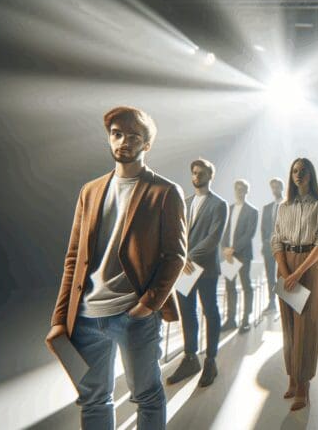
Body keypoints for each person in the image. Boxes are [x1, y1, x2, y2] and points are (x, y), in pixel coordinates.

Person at [45, 106, 185, 429]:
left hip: (133, 315)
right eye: (116, 134)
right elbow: (73, 259)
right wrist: (59, 318)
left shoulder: (165, 192)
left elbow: (175, 257)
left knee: (147, 395)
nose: (122, 142)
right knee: (93, 400)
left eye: (132, 136)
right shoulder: (90, 191)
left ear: (146, 144)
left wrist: (147, 306)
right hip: (85, 317)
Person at [271, 158, 318, 411]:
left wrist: (299, 272)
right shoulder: (284, 206)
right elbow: (276, 239)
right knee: (288, 325)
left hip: (310, 265)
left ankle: (304, 387)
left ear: (311, 175)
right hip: (285, 263)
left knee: (306, 327)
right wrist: (286, 273)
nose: (298, 175)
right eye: (294, 171)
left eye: (303, 171)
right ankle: (293, 378)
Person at [167, 158, 228, 388]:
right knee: (187, 311)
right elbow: (178, 235)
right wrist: (180, 258)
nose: (196, 176)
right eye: (193, 172)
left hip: (205, 268)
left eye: (201, 173)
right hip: (186, 269)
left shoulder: (219, 204)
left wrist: (187, 257)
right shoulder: (185, 202)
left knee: (210, 312)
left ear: (210, 176)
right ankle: (190, 357)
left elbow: (213, 238)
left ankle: (210, 361)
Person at [221, 179, 259, 333]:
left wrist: (233, 248)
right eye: (237, 189)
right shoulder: (228, 209)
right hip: (228, 254)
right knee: (229, 287)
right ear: (234, 190)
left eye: (242, 189)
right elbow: (223, 231)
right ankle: (231, 320)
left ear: (246, 191)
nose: (239, 191)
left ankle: (245, 320)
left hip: (242, 254)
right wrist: (224, 248)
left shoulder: (252, 211)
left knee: (245, 286)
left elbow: (249, 234)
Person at [261, 178, 284, 314]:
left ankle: (283, 302)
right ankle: (271, 303)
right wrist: (265, 241)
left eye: (277, 187)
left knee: (281, 275)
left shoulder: (288, 204)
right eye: (273, 187)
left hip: (283, 248)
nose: (275, 190)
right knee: (270, 276)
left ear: (282, 188)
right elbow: (263, 229)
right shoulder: (267, 207)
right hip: (269, 248)